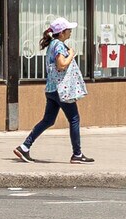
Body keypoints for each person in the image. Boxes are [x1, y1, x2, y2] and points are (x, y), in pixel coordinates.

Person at [13, 17, 92, 164]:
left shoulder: (52, 45)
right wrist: (72, 54)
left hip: (51, 89)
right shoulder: (59, 46)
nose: (71, 32)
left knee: (48, 120)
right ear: (61, 33)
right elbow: (61, 65)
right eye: (68, 30)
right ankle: (77, 154)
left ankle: (24, 147)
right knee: (74, 119)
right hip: (62, 90)